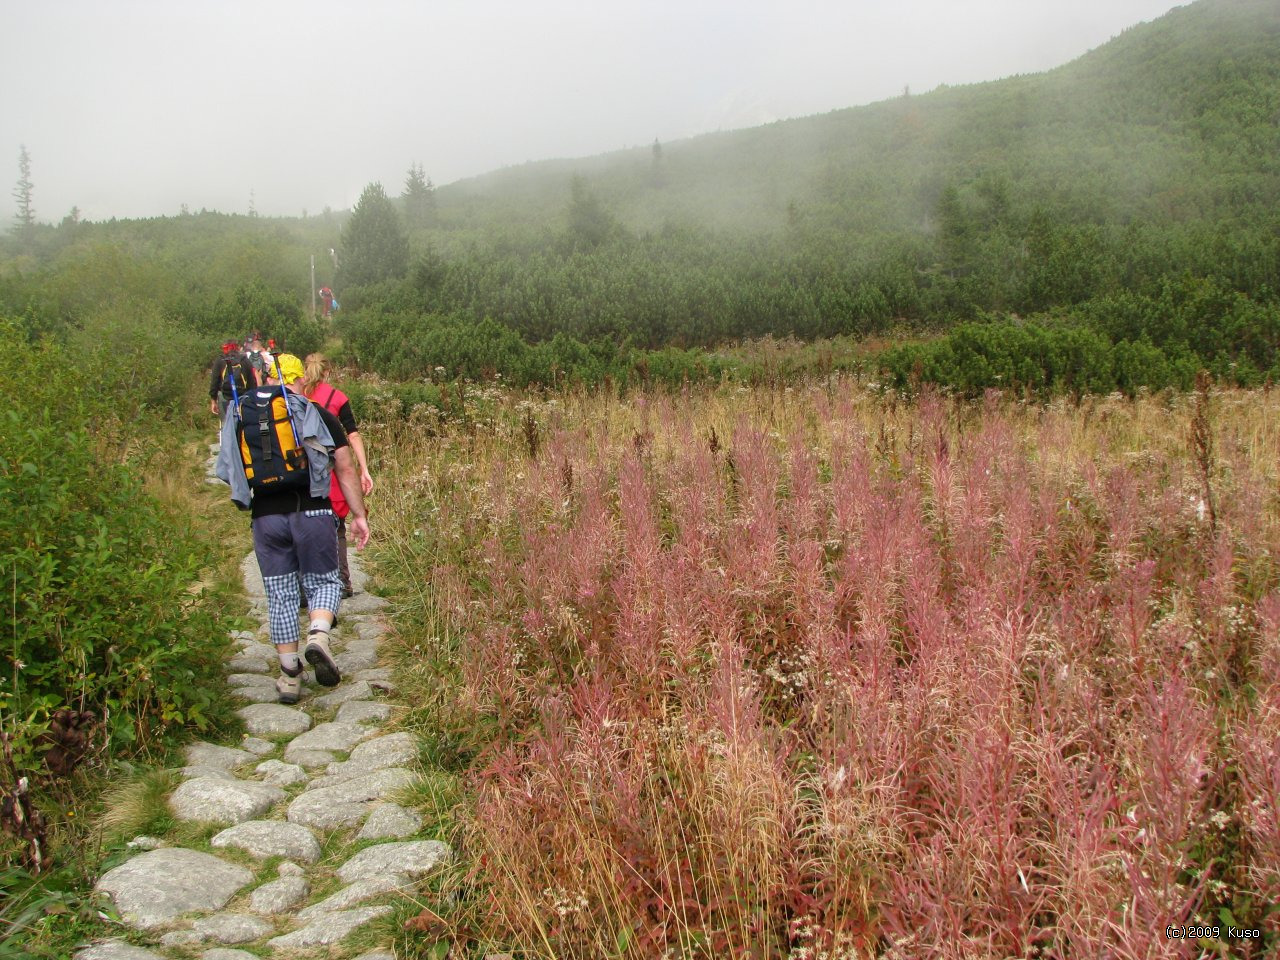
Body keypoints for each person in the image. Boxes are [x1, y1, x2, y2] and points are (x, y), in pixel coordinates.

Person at [215, 353, 370, 704]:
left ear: (267, 377)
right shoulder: (316, 412)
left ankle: (289, 677)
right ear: (301, 379)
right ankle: (318, 635)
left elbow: (227, 467)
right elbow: (344, 469)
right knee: (326, 582)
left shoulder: (241, 413)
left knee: (280, 594)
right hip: (313, 511)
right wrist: (359, 515)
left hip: (265, 517)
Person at [301, 353, 374, 597]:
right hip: (333, 470)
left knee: (304, 526)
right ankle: (343, 581)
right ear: (327, 372)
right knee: (337, 527)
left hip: (304, 470)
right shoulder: (337, 398)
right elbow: (352, 434)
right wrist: (363, 469)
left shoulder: (294, 397)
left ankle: (306, 586)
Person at [209, 341, 256, 420]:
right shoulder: (245, 360)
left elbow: (214, 382)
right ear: (237, 348)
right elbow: (252, 382)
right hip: (243, 396)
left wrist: (213, 400)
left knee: (226, 423)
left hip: (225, 397)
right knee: (244, 421)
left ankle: (226, 430)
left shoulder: (220, 360)